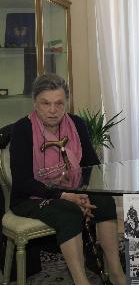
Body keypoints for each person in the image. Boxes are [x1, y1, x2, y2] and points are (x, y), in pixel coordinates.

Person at [9, 74, 125, 285]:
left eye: (59, 103)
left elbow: (91, 166)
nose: (52, 110)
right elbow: (22, 181)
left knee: (105, 200)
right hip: (30, 197)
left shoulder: (76, 124)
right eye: (46, 103)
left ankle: (117, 274)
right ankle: (81, 281)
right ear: (35, 103)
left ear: (66, 103)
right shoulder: (22, 129)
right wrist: (65, 196)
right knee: (69, 212)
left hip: (73, 190)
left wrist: (82, 193)